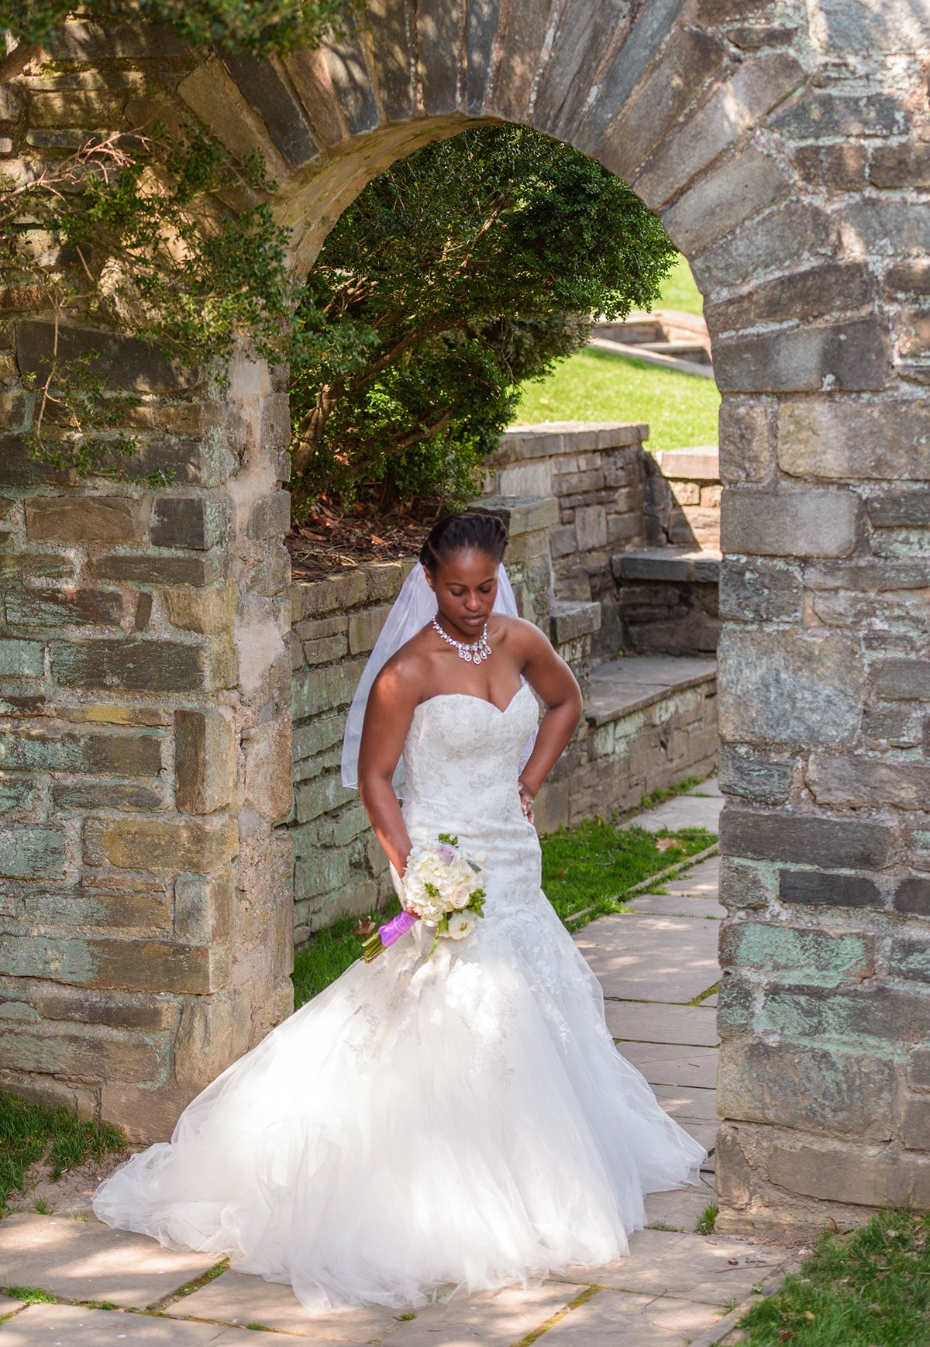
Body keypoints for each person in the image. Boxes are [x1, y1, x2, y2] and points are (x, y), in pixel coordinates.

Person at [93, 511, 705, 1313]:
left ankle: (542, 1159)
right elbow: (377, 776)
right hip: (443, 852)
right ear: (428, 582)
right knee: (459, 1003)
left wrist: (529, 781)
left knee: (532, 993)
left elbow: (565, 702)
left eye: (487, 586)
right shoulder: (405, 673)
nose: (476, 603)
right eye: (459, 590)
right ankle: (446, 1181)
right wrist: (412, 866)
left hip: (513, 856)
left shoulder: (520, 641)